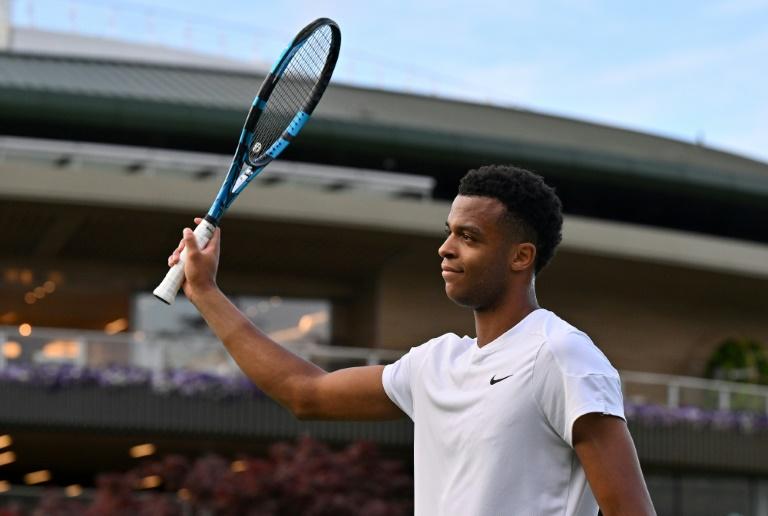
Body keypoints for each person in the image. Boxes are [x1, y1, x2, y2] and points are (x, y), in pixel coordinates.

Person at [168, 164, 656, 516]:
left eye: (469, 236)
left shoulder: (562, 355)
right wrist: (206, 292)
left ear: (520, 256)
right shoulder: (435, 362)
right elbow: (306, 393)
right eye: (448, 232)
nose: (445, 248)